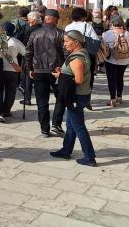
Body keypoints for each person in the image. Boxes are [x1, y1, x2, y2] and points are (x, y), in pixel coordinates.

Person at [50, 30, 97, 166]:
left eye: (66, 41)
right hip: (78, 96)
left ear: (76, 42)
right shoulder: (81, 53)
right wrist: (64, 71)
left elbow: (78, 79)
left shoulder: (77, 58)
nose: (64, 44)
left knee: (79, 127)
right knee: (70, 125)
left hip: (76, 96)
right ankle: (66, 150)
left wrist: (60, 76)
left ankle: (89, 157)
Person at [25, 8, 65, 137]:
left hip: (38, 70)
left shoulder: (35, 33)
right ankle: (56, 124)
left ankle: (44, 129)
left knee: (42, 102)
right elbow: (66, 53)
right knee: (61, 97)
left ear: (45, 19)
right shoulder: (61, 33)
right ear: (56, 19)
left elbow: (28, 53)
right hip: (56, 71)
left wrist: (30, 68)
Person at [102, 15, 129, 107]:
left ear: (112, 23)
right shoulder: (127, 33)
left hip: (111, 60)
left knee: (111, 79)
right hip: (124, 60)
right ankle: (119, 97)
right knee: (120, 78)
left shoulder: (108, 33)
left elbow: (104, 46)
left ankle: (112, 99)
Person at [1, 21, 25, 117]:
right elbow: (25, 53)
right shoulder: (15, 41)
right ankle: (6, 110)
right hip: (12, 70)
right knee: (10, 92)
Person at [19, 11, 43, 106]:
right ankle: (39, 98)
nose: (28, 20)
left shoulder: (30, 30)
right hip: (40, 57)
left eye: (29, 19)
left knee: (27, 78)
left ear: (33, 20)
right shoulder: (42, 28)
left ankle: (27, 98)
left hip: (29, 57)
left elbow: (25, 44)